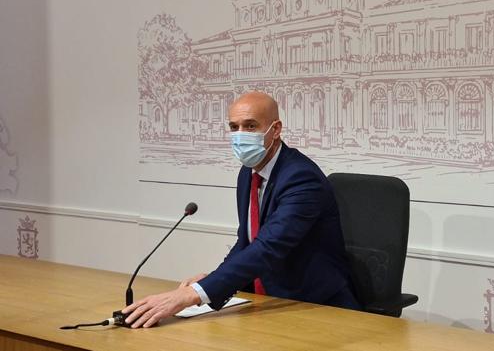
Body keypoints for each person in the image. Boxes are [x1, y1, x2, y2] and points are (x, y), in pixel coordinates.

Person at [123, 91, 359, 328]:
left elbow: (268, 247)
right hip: (267, 303)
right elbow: (247, 241)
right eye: (234, 127)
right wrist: (211, 282)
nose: (240, 135)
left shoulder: (302, 178)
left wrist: (193, 294)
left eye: (250, 126)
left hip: (317, 308)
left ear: (275, 129)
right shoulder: (249, 172)